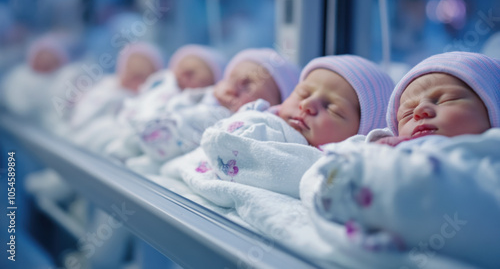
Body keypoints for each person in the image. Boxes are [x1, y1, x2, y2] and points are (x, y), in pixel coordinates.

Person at [300, 51, 500, 269]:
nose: (420, 111)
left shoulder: (488, 152)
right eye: (407, 113)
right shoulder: (391, 150)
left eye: (446, 100)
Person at [160, 55, 395, 199]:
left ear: (360, 133)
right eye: (303, 93)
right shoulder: (260, 118)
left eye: (332, 108)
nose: (308, 105)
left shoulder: (330, 164)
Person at [121, 48, 300, 173]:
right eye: (229, 80)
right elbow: (175, 110)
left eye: (247, 86)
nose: (231, 88)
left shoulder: (260, 128)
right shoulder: (204, 98)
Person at [66, 42, 163, 150]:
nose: (133, 77)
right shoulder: (105, 86)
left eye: (140, 76)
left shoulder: (148, 103)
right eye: (130, 70)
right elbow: (80, 115)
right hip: (76, 140)